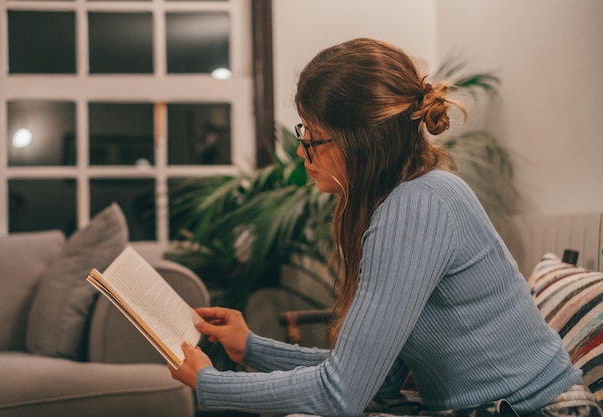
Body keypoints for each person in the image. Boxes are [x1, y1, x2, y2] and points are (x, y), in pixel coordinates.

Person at [169, 38, 601, 417]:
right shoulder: (415, 196)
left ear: (363, 142)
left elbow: (341, 395)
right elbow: (378, 376)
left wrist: (211, 384)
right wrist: (251, 347)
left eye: (314, 136)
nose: (303, 152)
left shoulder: (415, 206)